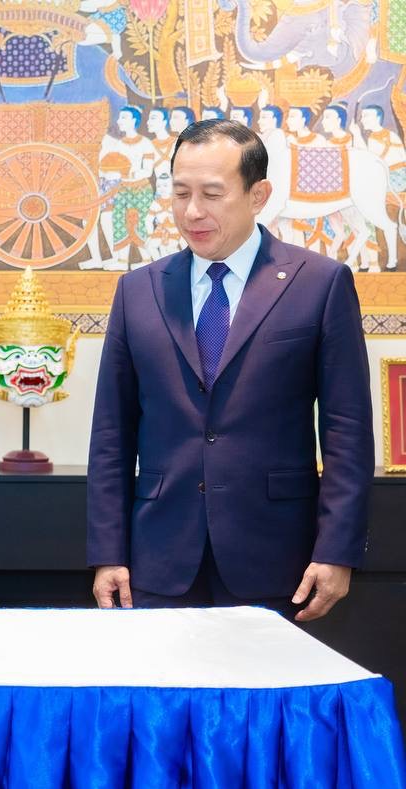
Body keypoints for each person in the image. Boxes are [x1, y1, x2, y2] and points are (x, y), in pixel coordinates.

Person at [87, 119, 373, 621]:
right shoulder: (138, 291)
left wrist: (337, 551)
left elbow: (346, 431)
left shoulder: (319, 283)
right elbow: (112, 433)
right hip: (159, 558)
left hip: (278, 559)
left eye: (212, 194)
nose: (192, 212)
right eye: (180, 193)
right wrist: (108, 553)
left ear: (258, 195)